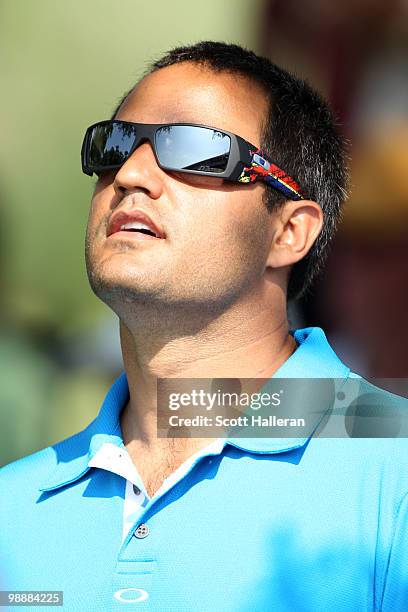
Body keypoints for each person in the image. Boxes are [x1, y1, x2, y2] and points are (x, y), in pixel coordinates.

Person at [1, 41, 407, 612]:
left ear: (288, 232)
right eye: (114, 146)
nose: (132, 174)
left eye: (194, 149)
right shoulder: (12, 510)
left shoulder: (394, 472)